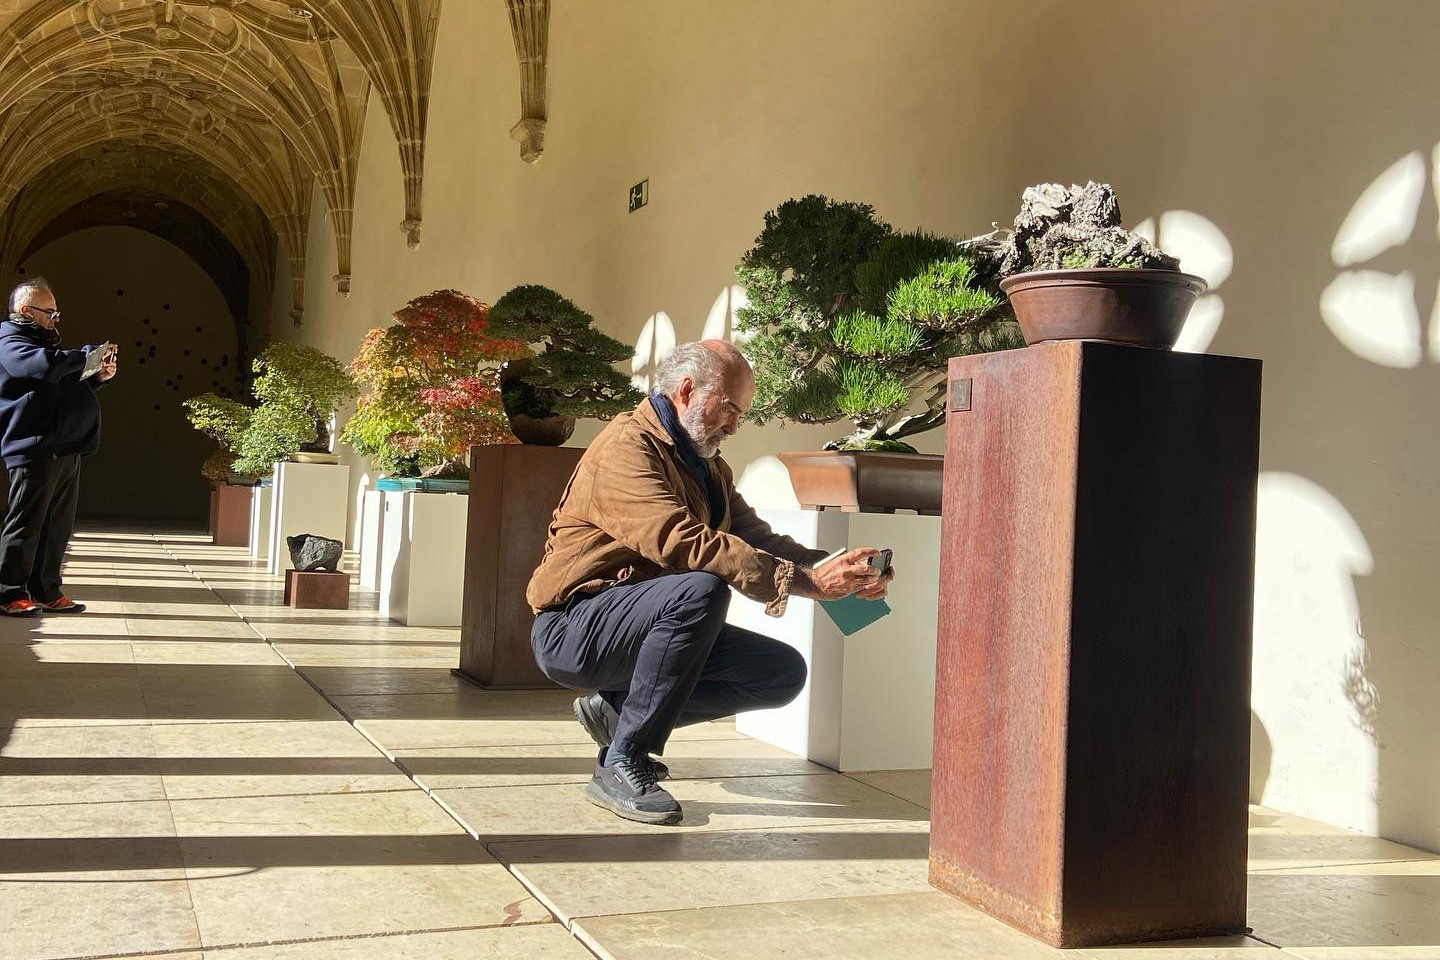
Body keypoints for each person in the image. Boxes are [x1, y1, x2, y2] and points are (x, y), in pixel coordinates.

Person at [527, 340, 895, 825]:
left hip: (645, 626)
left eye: (741, 414)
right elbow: (682, 542)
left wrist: (836, 567)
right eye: (729, 409)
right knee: (701, 588)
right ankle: (624, 760)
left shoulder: (706, 464)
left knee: (779, 673)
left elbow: (757, 536)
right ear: (686, 390)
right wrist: (805, 582)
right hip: (576, 627)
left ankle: (615, 716)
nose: (734, 426)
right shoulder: (623, 449)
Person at [0, 278, 117, 616]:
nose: (54, 317)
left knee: (57, 527)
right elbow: (43, 367)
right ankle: (9, 593)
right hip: (34, 448)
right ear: (25, 310)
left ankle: (47, 590)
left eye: (56, 311)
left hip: (66, 448)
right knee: (26, 524)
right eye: (48, 311)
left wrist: (98, 375)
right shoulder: (10, 341)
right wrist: (85, 357)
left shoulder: (48, 348)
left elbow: (64, 386)